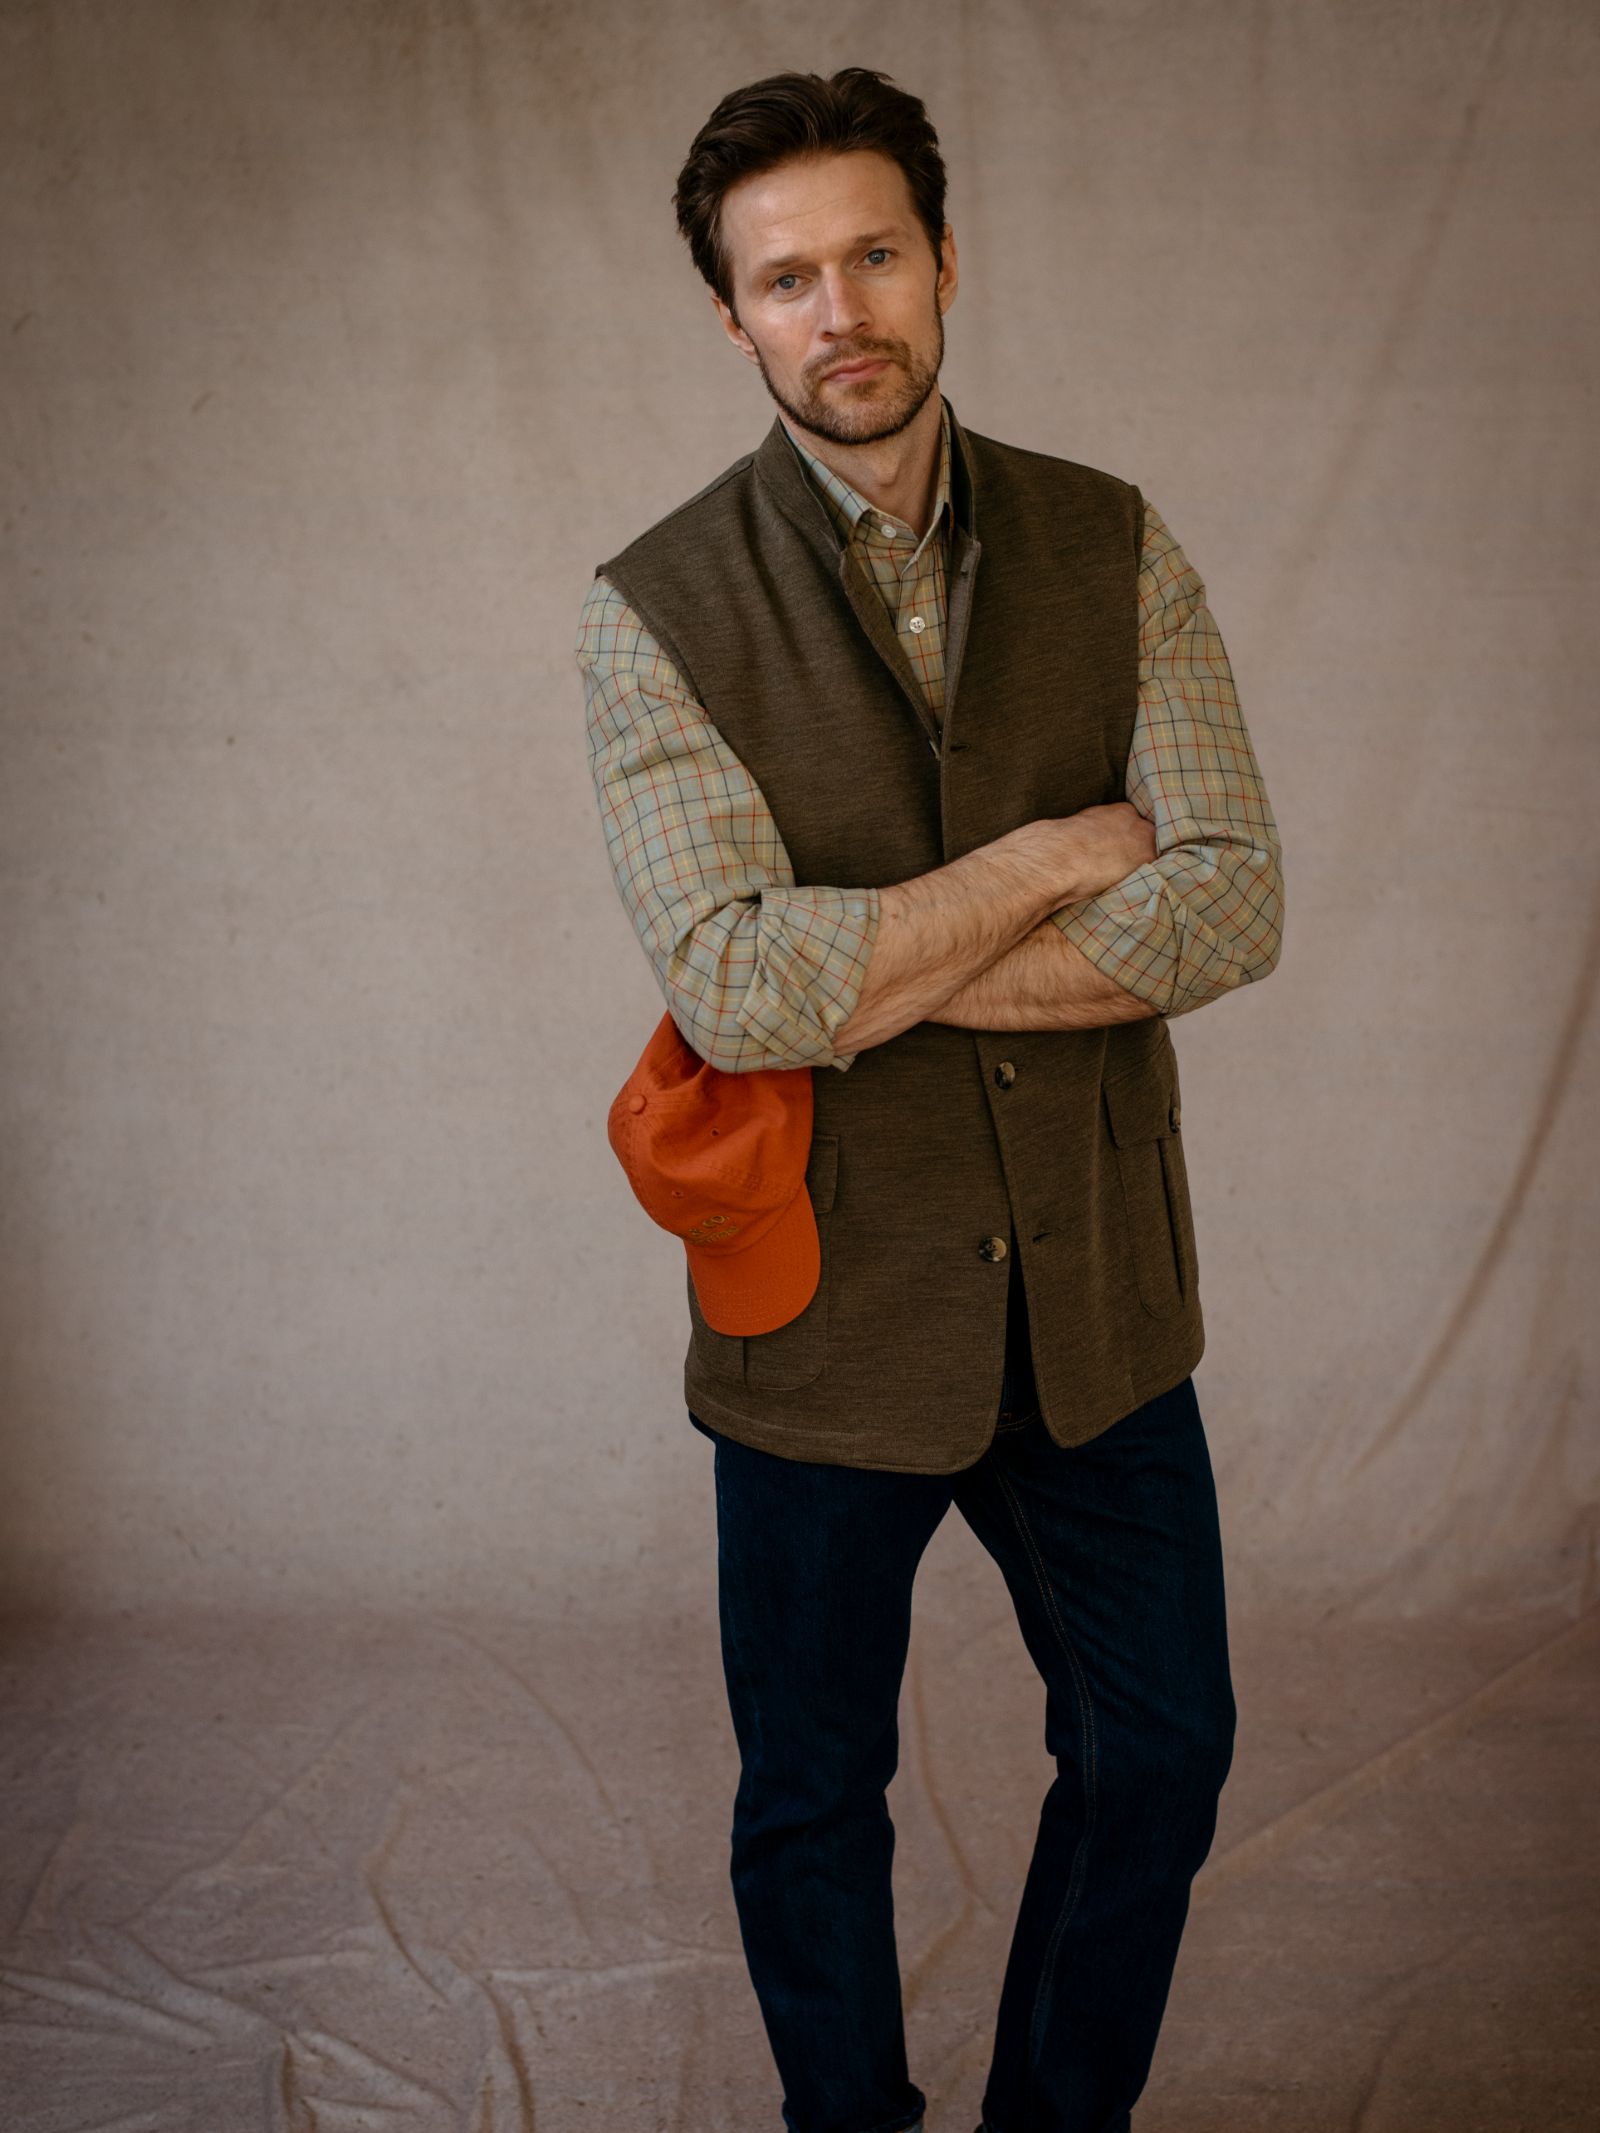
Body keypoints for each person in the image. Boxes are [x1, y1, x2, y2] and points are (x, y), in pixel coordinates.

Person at [576, 65, 1285, 2133]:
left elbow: (1231, 905)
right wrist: (1062, 853)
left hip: (1094, 1298)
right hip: (817, 1310)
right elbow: (727, 976)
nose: (836, 307)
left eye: (870, 252)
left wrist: (866, 968)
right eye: (782, 275)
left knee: (1157, 1746)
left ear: (944, 262)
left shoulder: (1110, 538)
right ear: (732, 319)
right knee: (809, 1792)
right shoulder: (651, 610)